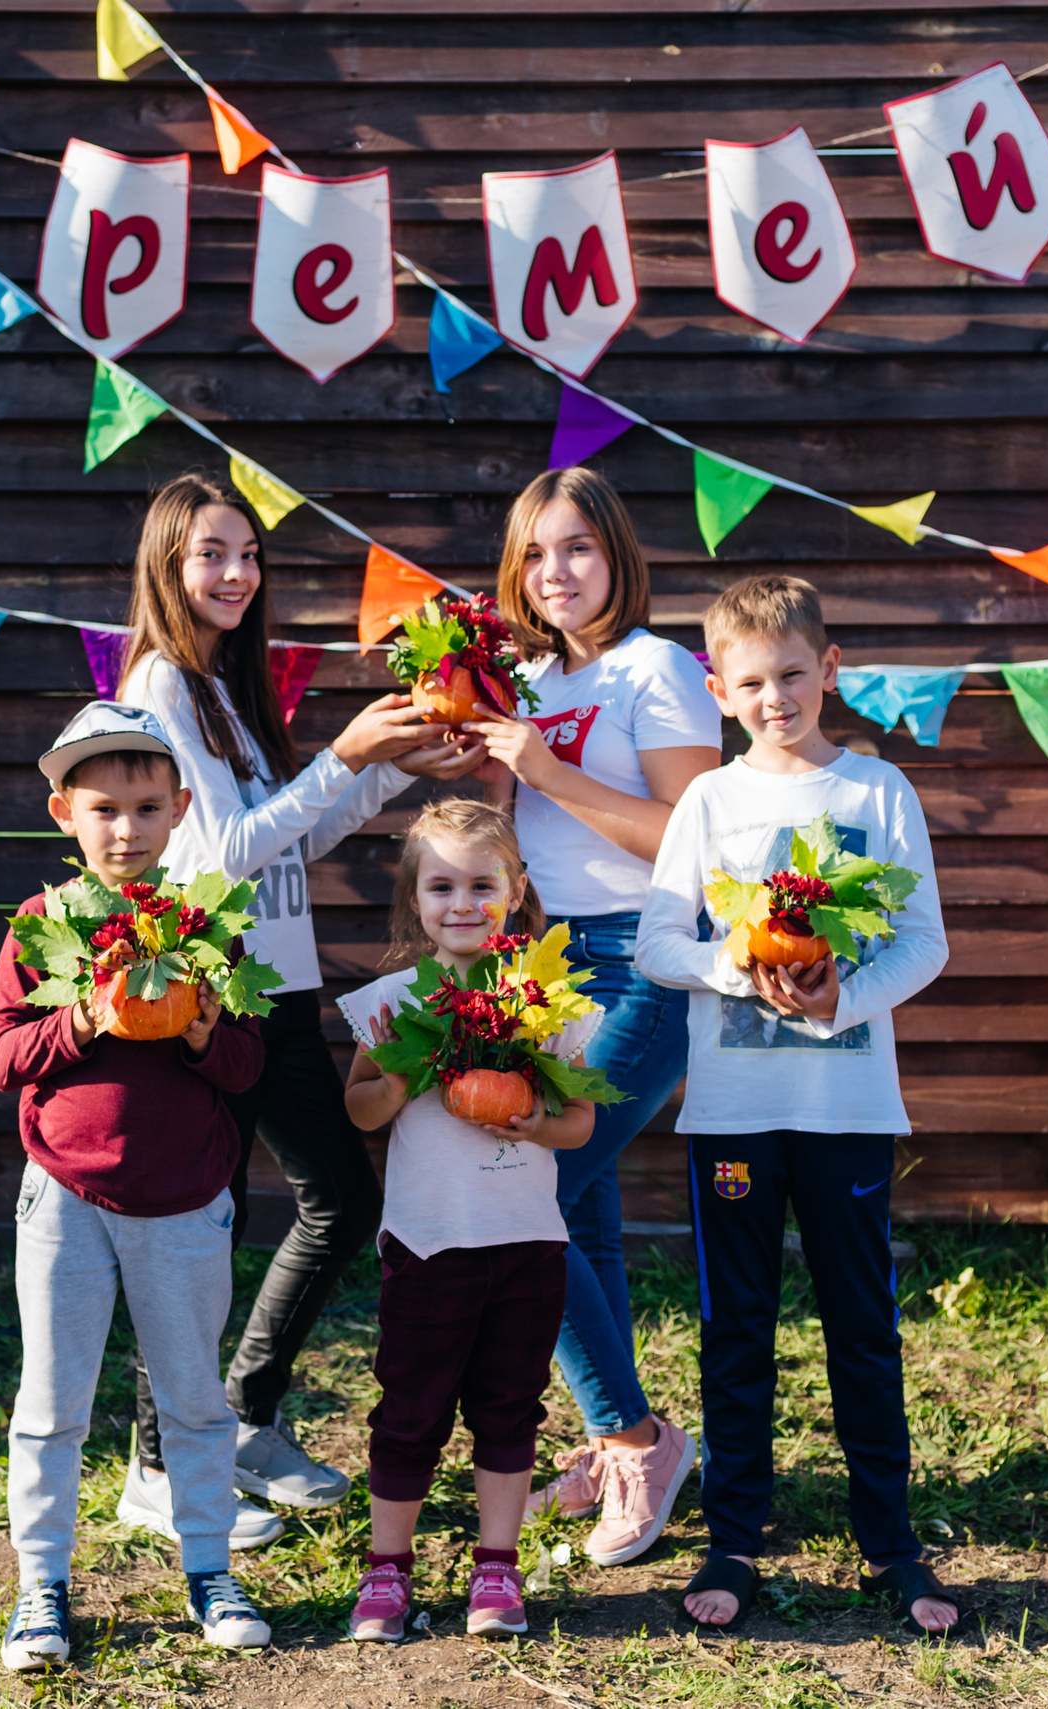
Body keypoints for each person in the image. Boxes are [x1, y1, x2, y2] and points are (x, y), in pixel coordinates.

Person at [117, 473, 481, 1540]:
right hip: (214, 992)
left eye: (247, 553)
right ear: (167, 566)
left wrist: (385, 770)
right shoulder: (159, 687)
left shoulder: (220, 686)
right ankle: (154, 1466)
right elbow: (221, 856)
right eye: (211, 553)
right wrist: (344, 755)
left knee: (334, 1200)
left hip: (275, 983)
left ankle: (240, 1417)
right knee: (202, 1226)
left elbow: (289, 836)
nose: (236, 573)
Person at [635, 574, 960, 1635]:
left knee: (861, 1324)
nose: (773, 696)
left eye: (790, 673)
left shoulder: (876, 792)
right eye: (750, 681)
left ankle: (890, 1542)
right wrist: (737, 968)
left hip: (847, 1108)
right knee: (736, 1323)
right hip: (732, 1112)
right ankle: (733, 1531)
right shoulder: (708, 803)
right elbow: (658, 941)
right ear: (721, 691)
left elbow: (923, 942)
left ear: (827, 668)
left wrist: (840, 1001)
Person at [0, 702, 277, 1673]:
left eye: (146, 807)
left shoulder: (203, 926)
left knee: (194, 1396)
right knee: (52, 1399)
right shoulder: (41, 926)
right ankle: (42, 1584)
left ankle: (207, 1565)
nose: (125, 829)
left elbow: (244, 1063)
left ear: (179, 807)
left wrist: (193, 1029)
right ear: (64, 810)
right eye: (103, 807)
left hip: (186, 1198)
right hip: (65, 1198)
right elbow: (2, 1057)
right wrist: (87, 1018)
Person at [465, 468, 718, 1567]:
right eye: (533, 553)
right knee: (585, 1216)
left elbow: (690, 839)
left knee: (532, 1192)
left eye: (575, 548)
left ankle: (637, 1438)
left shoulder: (656, 669)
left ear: (616, 555)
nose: (552, 572)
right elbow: (516, 835)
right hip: (548, 959)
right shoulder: (522, 678)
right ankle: (615, 1436)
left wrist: (553, 772)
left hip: (645, 959)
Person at [335, 800, 600, 1642]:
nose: (462, 902)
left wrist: (534, 1123)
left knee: (508, 1408)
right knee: (410, 1408)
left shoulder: (543, 1003)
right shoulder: (389, 1001)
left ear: (515, 891)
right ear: (415, 899)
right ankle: (388, 1569)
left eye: (482, 884)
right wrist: (407, 1076)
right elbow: (362, 1110)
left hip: (526, 1242)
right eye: (441, 884)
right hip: (428, 1244)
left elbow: (581, 1123)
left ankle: (497, 1564)